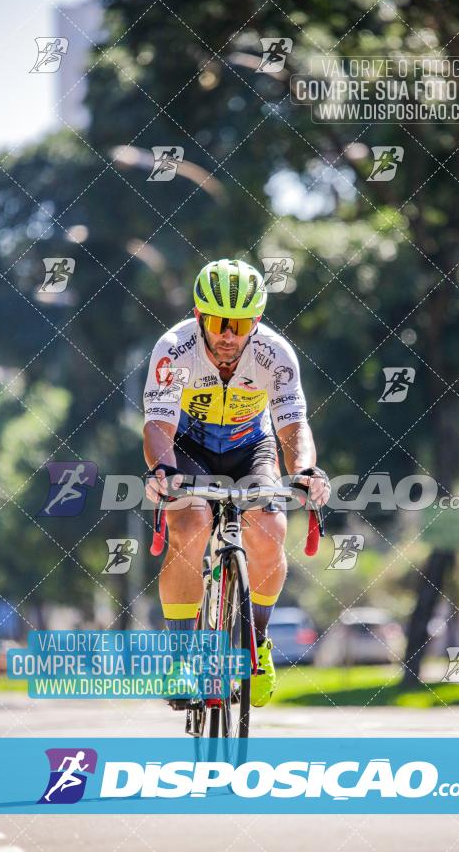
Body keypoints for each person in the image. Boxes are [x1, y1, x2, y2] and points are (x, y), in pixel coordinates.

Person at [143, 259, 330, 707]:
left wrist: (304, 470)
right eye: (218, 322)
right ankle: (183, 659)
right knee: (189, 526)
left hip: (252, 447)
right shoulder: (173, 349)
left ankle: (257, 646)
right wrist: (164, 472)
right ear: (198, 314)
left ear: (257, 321)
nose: (228, 335)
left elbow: (292, 427)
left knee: (271, 530)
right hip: (189, 447)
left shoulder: (275, 355)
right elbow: (157, 427)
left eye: (240, 324)